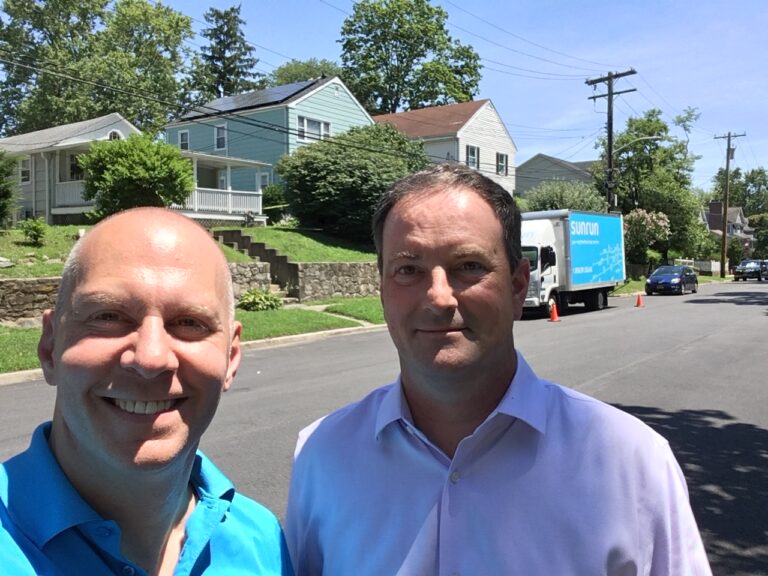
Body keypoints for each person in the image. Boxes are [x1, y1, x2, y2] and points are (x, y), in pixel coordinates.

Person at [284, 164, 711, 575]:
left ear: (518, 285)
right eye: (408, 269)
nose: (438, 298)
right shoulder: (323, 455)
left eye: (468, 266)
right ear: (381, 288)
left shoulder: (632, 461)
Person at [0, 208, 293, 575]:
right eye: (108, 316)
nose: (151, 358)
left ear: (231, 357)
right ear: (50, 347)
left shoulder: (261, 541)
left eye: (190, 322)